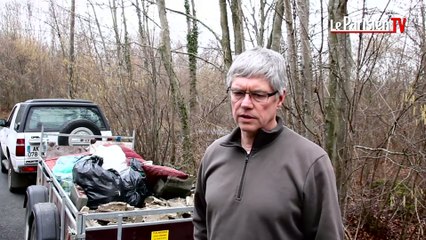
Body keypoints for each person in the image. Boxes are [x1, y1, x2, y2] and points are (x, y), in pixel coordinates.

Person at [193, 47, 344, 240]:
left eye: (258, 95)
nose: (246, 103)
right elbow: (201, 223)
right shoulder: (214, 154)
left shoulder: (310, 162)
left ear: (280, 98)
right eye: (238, 93)